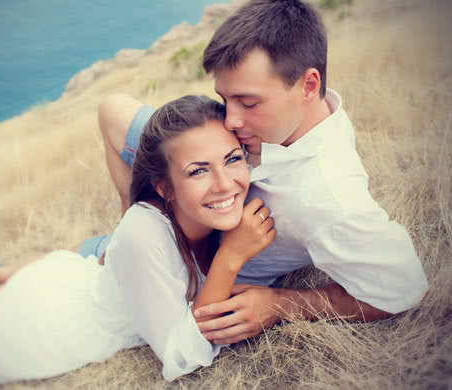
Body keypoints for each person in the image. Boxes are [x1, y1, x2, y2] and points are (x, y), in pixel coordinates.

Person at [0, 96, 276, 383]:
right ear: (164, 187)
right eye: (197, 171)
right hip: (42, 328)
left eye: (232, 159)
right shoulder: (143, 234)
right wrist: (231, 257)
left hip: (64, 286)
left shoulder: (208, 214)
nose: (226, 184)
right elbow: (178, 358)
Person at [98, 0, 429, 345]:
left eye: (249, 103)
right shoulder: (287, 119)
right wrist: (127, 217)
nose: (229, 121)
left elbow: (404, 287)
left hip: (185, 273)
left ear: (308, 86)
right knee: (114, 109)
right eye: (225, 100)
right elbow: (111, 112)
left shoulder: (325, 196)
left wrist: (283, 304)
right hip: (137, 244)